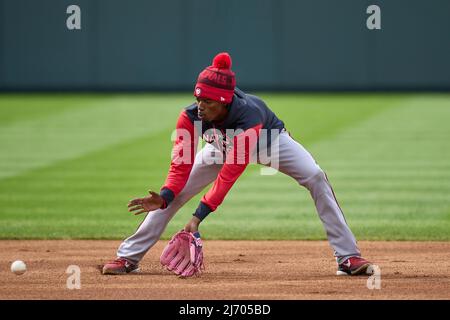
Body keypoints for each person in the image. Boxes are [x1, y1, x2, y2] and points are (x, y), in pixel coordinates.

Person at [102, 52, 372, 276]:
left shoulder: (249, 116)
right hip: (219, 147)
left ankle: (348, 258)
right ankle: (128, 257)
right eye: (197, 99)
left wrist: (198, 218)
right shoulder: (189, 117)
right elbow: (180, 167)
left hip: (270, 143)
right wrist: (164, 196)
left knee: (315, 176)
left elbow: (231, 173)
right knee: (172, 197)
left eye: (207, 101)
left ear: (224, 102)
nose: (200, 106)